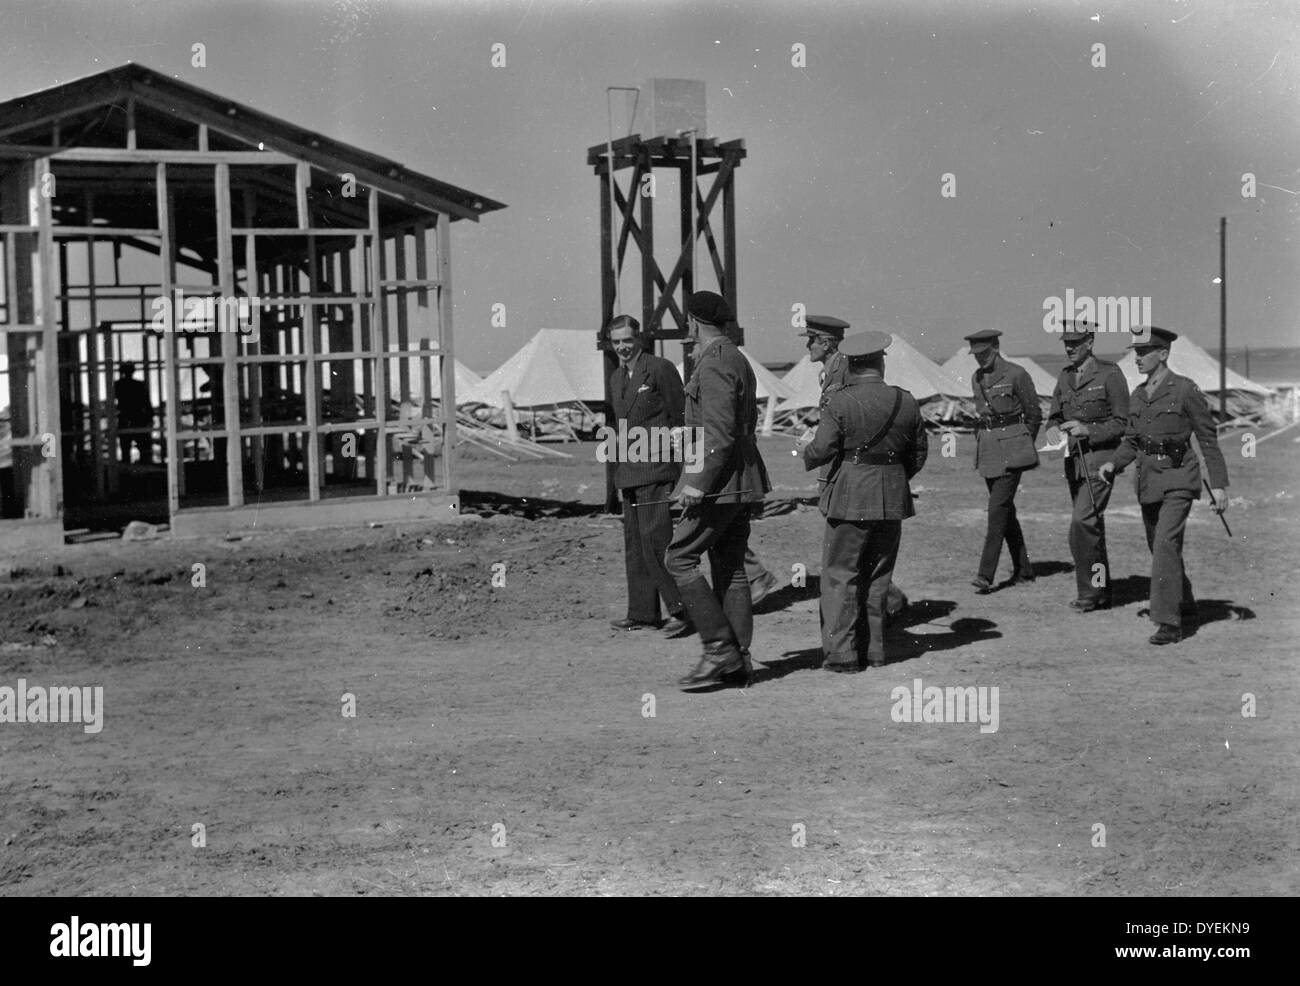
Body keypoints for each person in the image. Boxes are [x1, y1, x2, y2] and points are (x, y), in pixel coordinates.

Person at [800, 331, 927, 671]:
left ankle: (842, 654)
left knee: (841, 574)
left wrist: (804, 451)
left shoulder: (840, 401)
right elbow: (917, 455)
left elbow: (823, 449)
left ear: (852, 364)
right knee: (879, 575)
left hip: (850, 496)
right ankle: (875, 651)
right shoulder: (906, 400)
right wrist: (893, 479)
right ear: (880, 362)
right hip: (891, 498)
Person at [666, 290, 772, 690]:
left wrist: (696, 483)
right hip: (739, 478)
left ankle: (718, 649)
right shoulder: (736, 359)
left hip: (718, 481)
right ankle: (739, 661)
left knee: (679, 557)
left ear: (693, 323)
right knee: (731, 566)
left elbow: (720, 436)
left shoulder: (713, 364)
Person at [1098, 326, 1228, 645]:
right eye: (1136, 353)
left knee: (1165, 545)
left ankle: (1168, 621)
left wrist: (1220, 485)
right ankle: (1185, 600)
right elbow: (1132, 440)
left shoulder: (1185, 390)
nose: (1137, 358)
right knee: (1160, 545)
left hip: (1180, 477)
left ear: (1163, 354)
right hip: (1148, 480)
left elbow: (1208, 439)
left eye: (1144, 353)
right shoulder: (1137, 395)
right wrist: (1114, 462)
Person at [604, 315, 692, 635]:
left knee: (657, 542)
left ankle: (683, 610)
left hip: (656, 467)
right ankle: (642, 612)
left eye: (627, 340)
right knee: (636, 546)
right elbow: (620, 427)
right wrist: (616, 476)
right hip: (629, 472)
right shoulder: (617, 378)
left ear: (639, 339)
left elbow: (681, 417)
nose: (623, 348)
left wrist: (686, 472)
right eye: (616, 343)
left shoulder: (659, 368)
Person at [1047, 320, 1130, 611]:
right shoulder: (1065, 377)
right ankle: (1103, 591)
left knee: (1082, 524)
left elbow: (1124, 423)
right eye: (1066, 343)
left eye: (1076, 343)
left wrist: (1088, 431)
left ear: (1090, 342)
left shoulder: (1110, 374)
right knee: (1093, 527)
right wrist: (1053, 431)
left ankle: (1089, 594)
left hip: (1101, 462)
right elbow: (1055, 416)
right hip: (1075, 463)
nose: (1069, 348)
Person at [966, 329, 1041, 593]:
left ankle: (985, 575)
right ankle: (1024, 569)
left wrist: (1021, 442)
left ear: (996, 347)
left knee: (997, 510)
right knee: (1005, 511)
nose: (980, 359)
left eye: (984, 353)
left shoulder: (1016, 374)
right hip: (989, 450)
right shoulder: (976, 378)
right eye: (976, 355)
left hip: (1013, 450)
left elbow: (1034, 413)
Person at [113, 362, 153, 465]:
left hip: (125, 419)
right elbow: (147, 403)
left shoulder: (118, 385)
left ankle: (127, 472)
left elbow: (112, 403)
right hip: (139, 418)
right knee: (144, 449)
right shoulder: (139, 385)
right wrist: (150, 417)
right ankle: (145, 470)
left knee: (125, 449)